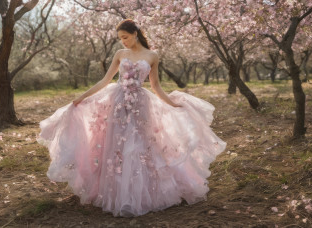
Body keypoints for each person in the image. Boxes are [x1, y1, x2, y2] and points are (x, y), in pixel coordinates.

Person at [37, 19, 226, 217]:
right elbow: (105, 80)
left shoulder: (152, 56)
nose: (123, 42)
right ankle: (115, 191)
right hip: (117, 104)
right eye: (120, 39)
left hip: (141, 106)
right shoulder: (121, 54)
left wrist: (173, 103)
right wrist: (83, 96)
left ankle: (144, 192)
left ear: (135, 33)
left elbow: (156, 86)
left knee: (141, 146)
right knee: (116, 147)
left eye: (125, 37)